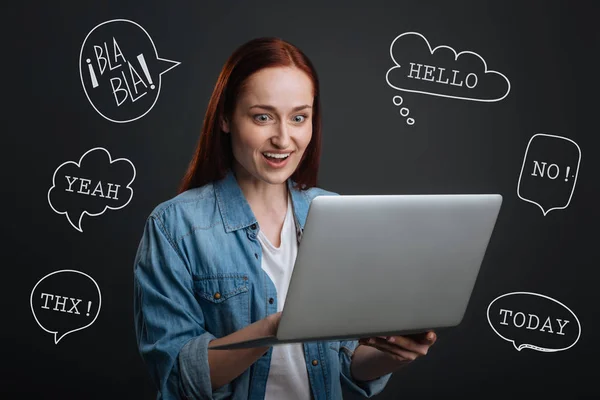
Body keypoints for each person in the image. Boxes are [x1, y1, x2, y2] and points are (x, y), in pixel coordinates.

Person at [133, 37, 437, 400]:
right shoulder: (174, 227)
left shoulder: (336, 214)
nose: (283, 138)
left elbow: (347, 362)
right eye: (262, 117)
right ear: (227, 118)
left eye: (299, 117)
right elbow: (181, 377)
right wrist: (277, 328)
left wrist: (394, 354)